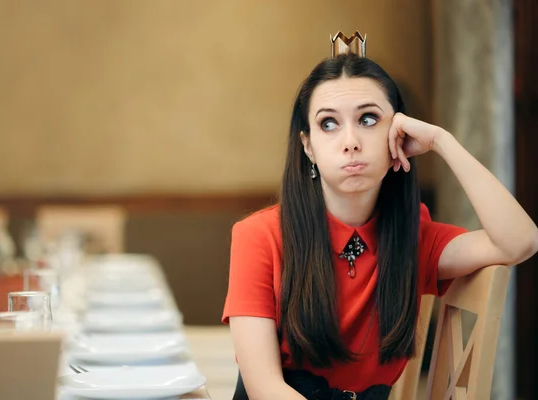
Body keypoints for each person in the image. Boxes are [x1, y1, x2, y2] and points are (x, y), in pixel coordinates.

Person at [221, 31, 538, 400]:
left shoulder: (413, 236)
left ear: (398, 134)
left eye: (369, 119)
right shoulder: (259, 236)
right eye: (328, 123)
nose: (351, 140)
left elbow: (521, 241)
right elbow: (264, 388)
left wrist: (442, 142)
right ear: (308, 146)